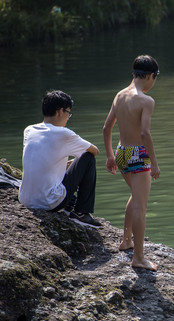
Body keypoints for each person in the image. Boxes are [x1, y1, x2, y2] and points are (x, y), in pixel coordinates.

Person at [103, 55, 161, 271]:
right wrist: (154, 162)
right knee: (141, 205)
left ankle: (126, 239)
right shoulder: (146, 100)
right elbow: (145, 133)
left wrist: (110, 156)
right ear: (149, 76)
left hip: (122, 152)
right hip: (138, 154)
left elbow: (106, 127)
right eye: (155, 77)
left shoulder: (120, 96)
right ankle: (138, 257)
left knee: (135, 198)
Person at [19, 90, 102, 227]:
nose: (68, 117)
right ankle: (82, 212)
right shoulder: (64, 133)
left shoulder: (29, 130)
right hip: (48, 202)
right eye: (68, 112)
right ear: (60, 111)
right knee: (88, 158)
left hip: (26, 199)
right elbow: (94, 150)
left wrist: (62, 163)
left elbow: (42, 158)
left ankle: (71, 205)